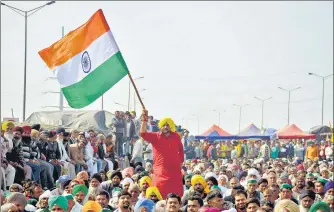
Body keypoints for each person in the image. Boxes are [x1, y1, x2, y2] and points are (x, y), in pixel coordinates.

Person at [140, 109, 184, 198]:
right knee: (159, 193)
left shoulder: (176, 136)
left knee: (176, 195)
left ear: (171, 126)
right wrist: (144, 121)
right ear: (160, 126)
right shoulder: (156, 136)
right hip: (160, 171)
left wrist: (180, 162)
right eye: (163, 125)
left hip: (175, 171)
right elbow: (143, 133)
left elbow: (181, 150)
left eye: (168, 125)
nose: (165, 127)